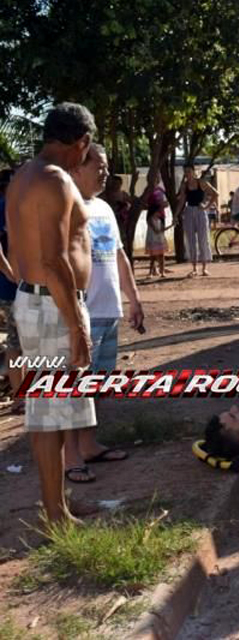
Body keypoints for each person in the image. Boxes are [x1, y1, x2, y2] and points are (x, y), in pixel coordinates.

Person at [5, 102, 98, 524]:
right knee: (48, 413)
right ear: (81, 142)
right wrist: (78, 327)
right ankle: (54, 513)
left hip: (39, 301)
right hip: (51, 305)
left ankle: (56, 503)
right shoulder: (55, 180)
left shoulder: (24, 175)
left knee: (54, 410)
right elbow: (56, 259)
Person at [61, 144, 145, 483]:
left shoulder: (104, 208)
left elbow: (120, 257)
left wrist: (134, 299)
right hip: (82, 313)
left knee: (96, 385)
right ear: (78, 167)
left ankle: (90, 445)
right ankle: (71, 458)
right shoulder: (65, 205)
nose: (106, 172)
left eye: (107, 166)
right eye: (100, 165)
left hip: (108, 311)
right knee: (75, 388)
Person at [0, 169, 25, 413]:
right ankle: (20, 397)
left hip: (23, 287)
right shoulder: (4, 207)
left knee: (24, 343)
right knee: (16, 343)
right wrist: (13, 276)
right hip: (11, 289)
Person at [174, 164, 217, 276]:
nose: (187, 174)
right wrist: (176, 215)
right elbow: (182, 201)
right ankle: (194, 268)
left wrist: (206, 206)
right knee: (191, 240)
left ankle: (204, 268)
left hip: (200, 211)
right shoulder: (184, 185)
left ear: (193, 172)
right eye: (185, 172)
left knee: (203, 239)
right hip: (188, 211)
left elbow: (215, 194)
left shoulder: (201, 182)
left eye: (189, 171)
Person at [145, 188, 172, 277]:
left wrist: (171, 225)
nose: (160, 213)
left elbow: (161, 230)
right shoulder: (151, 220)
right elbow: (157, 230)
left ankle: (162, 271)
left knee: (161, 255)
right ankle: (151, 271)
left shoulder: (159, 220)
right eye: (158, 211)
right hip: (153, 239)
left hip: (159, 239)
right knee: (153, 257)